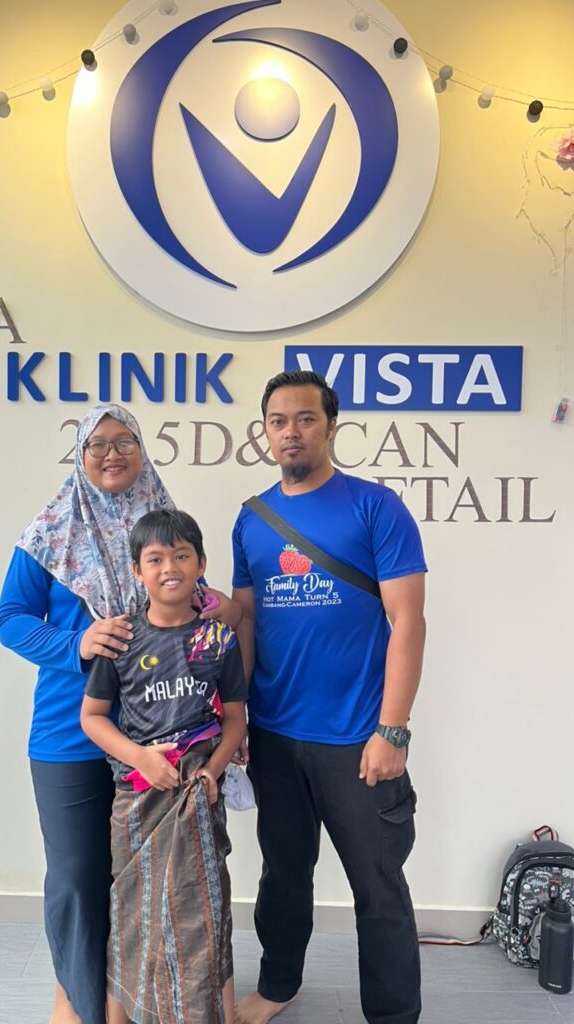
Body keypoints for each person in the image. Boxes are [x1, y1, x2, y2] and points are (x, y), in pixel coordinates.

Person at [0, 405, 239, 1024]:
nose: (112, 453)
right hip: (71, 731)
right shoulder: (48, 535)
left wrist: (216, 613)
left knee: (148, 877)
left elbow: (201, 613)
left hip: (163, 739)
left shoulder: (162, 528)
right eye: (98, 443)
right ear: (79, 454)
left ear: (142, 451)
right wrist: (75, 643)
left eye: (125, 441)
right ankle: (74, 998)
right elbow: (10, 620)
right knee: (78, 875)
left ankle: (138, 996)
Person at [232, 371, 427, 1024]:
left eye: (306, 418)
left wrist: (392, 730)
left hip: (358, 740)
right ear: (266, 431)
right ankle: (277, 986)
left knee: (379, 888)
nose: (291, 431)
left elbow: (408, 622)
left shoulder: (375, 507)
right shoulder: (252, 519)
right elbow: (246, 622)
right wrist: (237, 720)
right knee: (283, 875)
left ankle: (393, 1016)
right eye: (278, 421)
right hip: (276, 735)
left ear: (331, 426)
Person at [81, 509, 247, 1024]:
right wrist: (141, 759)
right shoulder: (121, 639)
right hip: (136, 798)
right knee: (132, 909)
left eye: (181, 556)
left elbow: (236, 720)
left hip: (196, 796)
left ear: (201, 564)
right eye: (155, 559)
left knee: (205, 911)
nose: (169, 568)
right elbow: (93, 717)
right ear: (137, 570)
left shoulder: (218, 639)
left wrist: (211, 771)